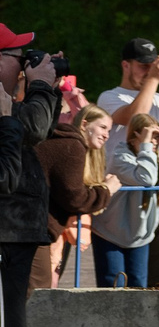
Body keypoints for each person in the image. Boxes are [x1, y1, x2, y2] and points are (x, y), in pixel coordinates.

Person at [0, 28, 65, 327]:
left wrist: (46, 86)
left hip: (16, 234)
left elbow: (38, 128)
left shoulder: (7, 101)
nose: (26, 62)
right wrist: (40, 86)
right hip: (5, 235)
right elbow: (32, 129)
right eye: (18, 56)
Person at [93, 44, 159, 288]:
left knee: (155, 278)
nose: (149, 71)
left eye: (152, 65)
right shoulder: (110, 97)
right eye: (143, 66)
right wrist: (153, 79)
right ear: (125, 65)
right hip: (125, 199)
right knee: (118, 280)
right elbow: (131, 117)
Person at [92, 107, 159, 288]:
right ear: (135, 135)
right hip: (110, 232)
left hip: (140, 234)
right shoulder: (121, 156)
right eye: (151, 136)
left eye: (157, 137)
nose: (154, 142)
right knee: (114, 282)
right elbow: (146, 178)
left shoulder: (158, 156)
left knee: (138, 283)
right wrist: (146, 146)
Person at [33, 104, 114, 288]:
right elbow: (75, 198)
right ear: (84, 124)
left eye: (109, 130)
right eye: (102, 127)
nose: (106, 134)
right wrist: (107, 190)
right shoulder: (72, 145)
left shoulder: (66, 142)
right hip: (33, 230)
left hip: (34, 228)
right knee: (37, 293)